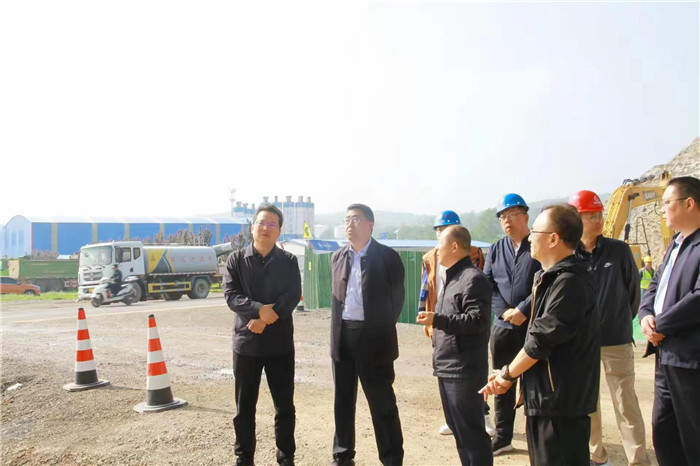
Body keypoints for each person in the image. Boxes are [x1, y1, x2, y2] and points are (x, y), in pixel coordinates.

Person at [479, 204, 600, 466]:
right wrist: (507, 373)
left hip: (561, 403)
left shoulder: (570, 282)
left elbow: (540, 340)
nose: (531, 237)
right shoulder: (548, 277)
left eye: (535, 231)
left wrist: (507, 375)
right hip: (545, 399)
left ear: (554, 239)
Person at [569, 190, 650, 466]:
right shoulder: (568, 255)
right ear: (576, 219)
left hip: (616, 340)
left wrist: (619, 319)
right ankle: (596, 456)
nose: (599, 220)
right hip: (582, 344)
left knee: (626, 403)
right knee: (588, 403)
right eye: (591, 216)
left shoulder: (619, 251)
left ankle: (637, 459)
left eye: (600, 215)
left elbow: (633, 293)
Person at [223, 203, 302, 466]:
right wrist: (258, 310)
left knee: (284, 407)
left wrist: (265, 320)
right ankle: (244, 458)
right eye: (261, 222)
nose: (265, 228)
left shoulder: (288, 261)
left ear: (279, 230)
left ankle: (286, 457)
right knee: (244, 408)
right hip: (247, 345)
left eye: (272, 224)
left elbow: (292, 296)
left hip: (280, 346)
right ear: (252, 227)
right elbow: (231, 296)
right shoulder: (236, 260)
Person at [330, 203, 405, 466]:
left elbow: (397, 300)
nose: (349, 224)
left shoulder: (388, 257)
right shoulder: (338, 257)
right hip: (343, 339)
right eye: (346, 219)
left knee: (382, 404)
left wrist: (378, 329)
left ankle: (392, 459)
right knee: (342, 401)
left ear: (370, 224)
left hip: (374, 341)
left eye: (356, 219)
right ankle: (342, 456)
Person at [417, 225, 493, 466]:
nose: (436, 250)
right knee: (460, 434)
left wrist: (437, 319)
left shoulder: (473, 279)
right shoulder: (451, 278)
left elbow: (477, 321)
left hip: (464, 370)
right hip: (447, 366)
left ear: (455, 246)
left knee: (472, 435)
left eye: (440, 245)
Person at [638, 176, 700, 466]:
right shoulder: (676, 242)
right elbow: (654, 285)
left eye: (666, 203)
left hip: (691, 358)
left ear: (689, 204)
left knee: (693, 436)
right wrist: (646, 315)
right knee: (664, 432)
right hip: (665, 355)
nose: (661, 209)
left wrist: (660, 325)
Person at [483, 193, 541, 456]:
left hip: (533, 327)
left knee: (534, 384)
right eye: (502, 217)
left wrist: (523, 309)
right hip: (503, 328)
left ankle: (537, 438)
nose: (507, 221)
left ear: (525, 217)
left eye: (512, 215)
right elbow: (488, 284)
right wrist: (505, 311)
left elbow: (546, 279)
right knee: (501, 381)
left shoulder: (538, 243)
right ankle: (503, 437)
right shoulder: (496, 249)